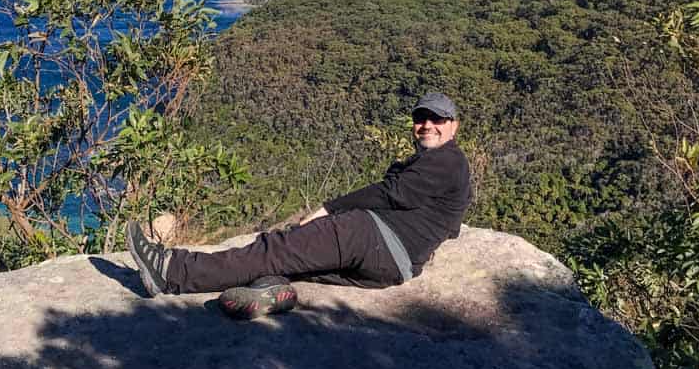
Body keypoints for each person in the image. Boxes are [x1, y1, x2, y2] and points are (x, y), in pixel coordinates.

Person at [126, 92, 472, 317]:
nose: (427, 125)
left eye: (437, 119)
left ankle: (171, 271)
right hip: (393, 269)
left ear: (453, 126)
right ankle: (271, 289)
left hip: (370, 238)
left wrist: (329, 208)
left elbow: (391, 193)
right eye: (421, 119)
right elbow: (450, 225)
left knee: (276, 247)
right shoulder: (449, 166)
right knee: (298, 261)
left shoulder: (446, 160)